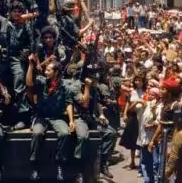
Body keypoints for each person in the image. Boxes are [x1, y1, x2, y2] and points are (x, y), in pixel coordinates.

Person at [26, 53, 72, 181]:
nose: (45, 71)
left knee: (64, 133)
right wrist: (30, 65)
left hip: (57, 117)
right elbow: (29, 83)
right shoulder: (42, 81)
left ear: (56, 72)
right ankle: (35, 166)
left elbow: (69, 103)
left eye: (48, 70)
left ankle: (59, 164)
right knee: (37, 134)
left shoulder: (63, 86)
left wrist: (72, 121)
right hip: (41, 117)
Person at [70, 71, 117, 181]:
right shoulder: (76, 86)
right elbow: (84, 103)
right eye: (94, 79)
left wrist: (101, 114)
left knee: (111, 133)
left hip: (91, 117)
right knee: (82, 137)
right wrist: (87, 86)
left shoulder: (94, 87)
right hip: (79, 117)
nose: (97, 81)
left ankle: (103, 163)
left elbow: (97, 102)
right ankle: (78, 169)